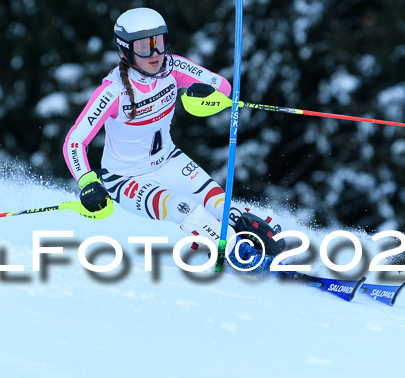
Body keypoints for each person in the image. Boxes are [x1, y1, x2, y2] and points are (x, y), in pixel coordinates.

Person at [63, 7, 285, 267]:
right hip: (125, 178)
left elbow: (222, 87)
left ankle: (260, 237)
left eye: (160, 43)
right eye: (145, 47)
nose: (156, 53)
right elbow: (75, 141)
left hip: (169, 160)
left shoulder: (172, 67)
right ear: (126, 50)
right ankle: (237, 253)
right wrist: (88, 181)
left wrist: (207, 92)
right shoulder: (113, 92)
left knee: (220, 204)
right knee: (185, 208)